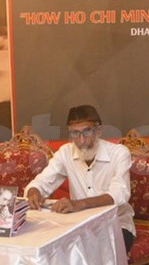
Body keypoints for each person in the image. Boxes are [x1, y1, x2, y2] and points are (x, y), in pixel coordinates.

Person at [25, 105, 136, 252]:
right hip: (77, 225)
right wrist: (34, 192)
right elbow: (42, 182)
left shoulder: (119, 153)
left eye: (87, 131)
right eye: (75, 133)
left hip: (115, 224)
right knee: (50, 249)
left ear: (99, 131)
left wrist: (80, 204)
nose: (81, 140)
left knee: (91, 252)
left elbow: (120, 194)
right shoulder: (65, 152)